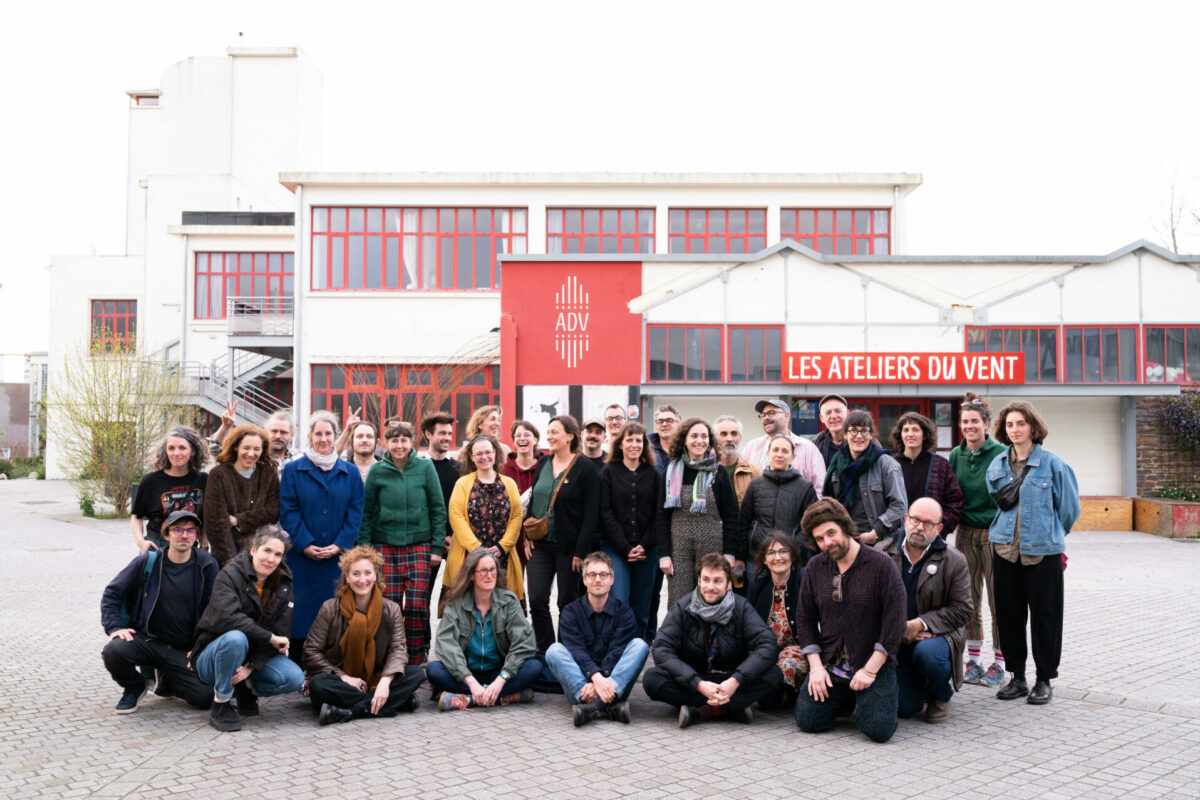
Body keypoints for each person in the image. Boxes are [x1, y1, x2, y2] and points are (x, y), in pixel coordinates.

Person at [986, 401, 1080, 706]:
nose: (1015, 430)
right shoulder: (997, 465)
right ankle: (1018, 678)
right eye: (1010, 425)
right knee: (1009, 617)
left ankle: (1044, 679)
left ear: (1033, 427)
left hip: (1043, 553)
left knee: (1046, 617)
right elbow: (996, 502)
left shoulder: (1054, 464)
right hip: (1005, 550)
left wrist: (1051, 534)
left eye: (1021, 424)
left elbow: (1069, 509)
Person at [794, 498, 906, 743]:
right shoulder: (815, 567)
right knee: (808, 721)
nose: (827, 542)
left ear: (845, 527)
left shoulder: (881, 564)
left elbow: (895, 623)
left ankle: (866, 698)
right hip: (832, 663)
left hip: (872, 662)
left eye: (831, 533)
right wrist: (816, 668)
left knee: (878, 730)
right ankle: (844, 697)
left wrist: (870, 670)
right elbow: (805, 619)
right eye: (819, 539)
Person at [643, 553, 782, 727]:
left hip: (731, 679)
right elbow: (662, 649)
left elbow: (768, 645)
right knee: (652, 678)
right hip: (694, 679)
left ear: (729, 584)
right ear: (699, 581)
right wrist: (698, 684)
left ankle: (702, 711)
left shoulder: (741, 607)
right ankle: (732, 707)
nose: (710, 586)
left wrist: (736, 681)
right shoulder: (682, 607)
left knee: (774, 674)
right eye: (706, 580)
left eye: (717, 581)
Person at [100, 510, 219, 713]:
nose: (184, 535)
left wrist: (202, 645)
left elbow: (215, 609)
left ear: (196, 535)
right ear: (166, 534)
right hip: (148, 641)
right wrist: (115, 627)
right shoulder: (149, 561)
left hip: (183, 649)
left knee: (204, 697)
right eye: (178, 529)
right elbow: (113, 592)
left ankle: (168, 679)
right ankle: (134, 686)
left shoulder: (206, 564)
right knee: (113, 651)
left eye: (190, 530)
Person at [191, 525, 306, 732]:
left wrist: (251, 667)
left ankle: (245, 687)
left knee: (294, 678)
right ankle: (221, 703)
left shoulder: (284, 583)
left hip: (252, 655)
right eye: (267, 551)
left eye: (278, 555)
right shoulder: (229, 574)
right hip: (213, 655)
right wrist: (269, 637)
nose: (271, 559)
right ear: (253, 550)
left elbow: (281, 634)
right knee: (236, 638)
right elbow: (230, 619)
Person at [303, 545, 425, 724]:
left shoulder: (391, 609)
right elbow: (311, 651)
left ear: (375, 575)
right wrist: (344, 677)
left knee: (416, 674)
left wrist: (385, 681)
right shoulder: (330, 608)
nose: (362, 580)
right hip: (342, 681)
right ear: (347, 577)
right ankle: (393, 702)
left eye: (368, 573)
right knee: (318, 685)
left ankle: (348, 711)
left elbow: (398, 650)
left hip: (377, 677)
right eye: (356, 574)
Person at [357, 421, 447, 665]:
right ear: (386, 443)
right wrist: (365, 551)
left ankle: (415, 661)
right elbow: (366, 512)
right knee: (390, 607)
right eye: (394, 440)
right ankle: (391, 660)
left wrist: (436, 547)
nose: (399, 445)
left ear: (411, 443)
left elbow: (438, 508)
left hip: (419, 546)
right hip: (384, 547)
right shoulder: (377, 471)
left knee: (417, 606)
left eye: (404, 440)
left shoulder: (425, 467)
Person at [877, 498, 972, 723]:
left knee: (928, 655)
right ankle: (918, 686)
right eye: (915, 520)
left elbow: (963, 609)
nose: (919, 527)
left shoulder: (954, 560)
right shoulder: (881, 553)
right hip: (894, 639)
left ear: (939, 528)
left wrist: (920, 624)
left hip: (936, 637)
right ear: (906, 519)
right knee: (904, 708)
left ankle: (940, 694)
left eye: (928, 523)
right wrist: (898, 629)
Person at [280, 411, 365, 661]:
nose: (324, 438)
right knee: (301, 614)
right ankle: (299, 665)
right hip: (302, 558)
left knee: (335, 613)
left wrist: (340, 544)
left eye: (328, 433)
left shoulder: (350, 472)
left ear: (336, 436)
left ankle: (330, 665)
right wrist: (305, 543)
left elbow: (355, 513)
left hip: (337, 558)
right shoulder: (293, 470)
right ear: (309, 436)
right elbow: (288, 510)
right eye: (318, 433)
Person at [544, 552, 650, 726]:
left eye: (603, 575)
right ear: (584, 580)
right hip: (580, 687)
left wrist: (601, 682)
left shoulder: (624, 613)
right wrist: (596, 679)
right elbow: (577, 652)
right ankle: (610, 708)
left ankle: (591, 708)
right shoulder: (570, 613)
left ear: (612, 580)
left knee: (640, 645)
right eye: (592, 575)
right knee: (554, 651)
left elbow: (616, 653)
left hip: (613, 685)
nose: (598, 579)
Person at [427, 548, 541, 710]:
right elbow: (446, 644)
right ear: (471, 575)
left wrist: (501, 680)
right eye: (483, 571)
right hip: (466, 673)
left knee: (534, 667)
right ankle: (503, 696)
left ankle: (469, 699)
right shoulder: (456, 603)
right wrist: (471, 682)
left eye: (493, 570)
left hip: (498, 671)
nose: (489, 575)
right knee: (434, 670)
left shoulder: (509, 602)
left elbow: (524, 643)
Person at [948, 392, 1008, 687]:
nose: (969, 426)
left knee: (999, 599)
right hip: (965, 533)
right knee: (968, 599)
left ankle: (1000, 663)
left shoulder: (1001, 453)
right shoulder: (955, 455)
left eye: (975, 421)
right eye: (965, 421)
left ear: (986, 424)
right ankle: (972, 660)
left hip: (994, 533)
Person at [527, 415, 600, 653]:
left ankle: (567, 653)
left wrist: (581, 551)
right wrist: (527, 535)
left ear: (570, 436)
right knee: (537, 599)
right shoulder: (543, 462)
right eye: (548, 432)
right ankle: (547, 652)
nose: (549, 436)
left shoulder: (585, 468)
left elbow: (591, 514)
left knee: (567, 602)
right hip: (540, 545)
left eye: (555, 432)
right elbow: (534, 500)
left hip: (570, 548)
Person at [656, 418, 738, 608]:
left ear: (710, 441)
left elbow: (731, 516)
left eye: (704, 436)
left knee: (711, 598)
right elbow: (662, 517)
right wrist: (664, 554)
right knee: (679, 602)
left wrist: (730, 553)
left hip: (713, 548)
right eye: (694, 436)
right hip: (679, 550)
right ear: (684, 440)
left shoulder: (719, 472)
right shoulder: (671, 471)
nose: (699, 441)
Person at [445, 433, 524, 610]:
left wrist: (503, 546)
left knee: (503, 608)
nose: (484, 457)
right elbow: (456, 516)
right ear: (472, 457)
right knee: (466, 608)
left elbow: (517, 516)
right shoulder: (462, 483)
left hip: (502, 557)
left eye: (488, 452)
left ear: (495, 453)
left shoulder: (509, 484)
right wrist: (477, 549)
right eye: (479, 454)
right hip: (469, 557)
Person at [598, 421, 659, 638]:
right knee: (619, 601)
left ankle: (638, 648)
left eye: (639, 441)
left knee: (642, 606)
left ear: (644, 445)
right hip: (616, 549)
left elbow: (658, 515)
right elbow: (605, 513)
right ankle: (618, 646)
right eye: (629, 440)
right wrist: (625, 547)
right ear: (620, 445)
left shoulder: (653, 474)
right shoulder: (608, 472)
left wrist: (644, 545)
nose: (634, 445)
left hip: (647, 550)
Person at [737, 435, 819, 578]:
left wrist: (787, 548)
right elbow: (744, 522)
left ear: (793, 457)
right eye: (775, 450)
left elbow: (810, 526)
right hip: (757, 558)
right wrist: (740, 556)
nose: (779, 454)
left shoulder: (805, 487)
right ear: (768, 454)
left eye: (785, 451)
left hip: (793, 560)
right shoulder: (755, 485)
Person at [822, 410, 906, 546]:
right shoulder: (837, 463)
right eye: (853, 431)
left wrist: (876, 532)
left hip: (879, 542)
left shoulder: (887, 464)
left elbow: (899, 507)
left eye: (864, 431)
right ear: (845, 434)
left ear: (871, 435)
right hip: (843, 540)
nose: (859, 436)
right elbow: (828, 502)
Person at [203, 424, 280, 567]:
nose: (251, 454)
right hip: (229, 553)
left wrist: (238, 520)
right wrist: (228, 561)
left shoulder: (269, 472)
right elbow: (216, 522)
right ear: (236, 446)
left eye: (256, 449)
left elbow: (273, 511)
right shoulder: (219, 474)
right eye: (246, 448)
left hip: (262, 552)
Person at [746, 531, 808, 702]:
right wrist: (774, 654)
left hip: (799, 655)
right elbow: (749, 630)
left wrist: (806, 649)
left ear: (792, 556)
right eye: (771, 553)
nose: (778, 557)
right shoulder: (757, 586)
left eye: (783, 551)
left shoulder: (804, 582)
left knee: (781, 672)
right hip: (768, 655)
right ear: (764, 560)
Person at [130, 426, 209, 554]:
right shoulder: (151, 481)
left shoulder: (203, 480)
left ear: (193, 451)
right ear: (165, 451)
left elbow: (206, 517)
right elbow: (136, 517)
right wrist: (141, 542)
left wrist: (204, 544)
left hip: (188, 548)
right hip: (157, 548)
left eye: (182, 448)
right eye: (171, 448)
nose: (176, 453)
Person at [889, 411, 965, 534]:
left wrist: (940, 528)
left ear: (924, 435)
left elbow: (955, 501)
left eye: (915, 430)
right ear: (900, 435)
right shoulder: (890, 465)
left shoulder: (940, 464)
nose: (910, 434)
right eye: (906, 430)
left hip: (930, 536)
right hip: (896, 536)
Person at [741, 399, 826, 497]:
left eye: (771, 413)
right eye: (763, 415)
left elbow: (820, 487)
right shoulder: (752, 447)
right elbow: (741, 482)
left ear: (786, 416)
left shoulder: (808, 448)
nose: (766, 418)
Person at [713, 414, 761, 507]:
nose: (729, 439)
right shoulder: (705, 471)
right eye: (724, 434)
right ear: (715, 439)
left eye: (734, 434)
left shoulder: (754, 472)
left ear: (740, 438)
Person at [502, 419, 541, 496]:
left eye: (527, 435)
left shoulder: (545, 467)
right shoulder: (502, 470)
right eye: (518, 435)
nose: (522, 438)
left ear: (535, 440)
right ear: (514, 441)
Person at [811, 394, 849, 468]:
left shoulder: (861, 440)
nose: (833, 416)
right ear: (821, 418)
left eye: (838, 411)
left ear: (847, 414)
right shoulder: (815, 443)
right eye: (828, 412)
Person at [647, 404, 680, 475]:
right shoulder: (645, 448)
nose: (664, 424)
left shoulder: (686, 449)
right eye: (660, 421)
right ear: (656, 426)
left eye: (669, 421)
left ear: (678, 425)